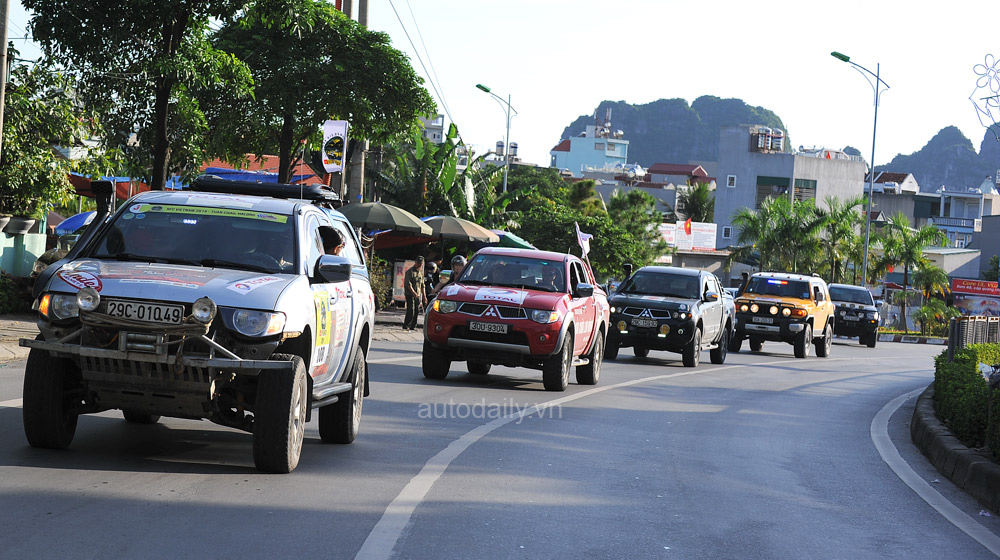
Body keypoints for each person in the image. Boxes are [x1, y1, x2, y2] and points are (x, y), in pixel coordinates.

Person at [403, 256, 426, 331]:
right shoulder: (410, 272)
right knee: (411, 310)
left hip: (417, 294)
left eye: (421, 263)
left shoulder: (420, 273)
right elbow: (408, 284)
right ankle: (406, 325)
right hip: (410, 294)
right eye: (418, 263)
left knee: (417, 310)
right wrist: (414, 293)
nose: (419, 264)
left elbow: (422, 285)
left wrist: (424, 297)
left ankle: (413, 326)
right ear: (415, 262)